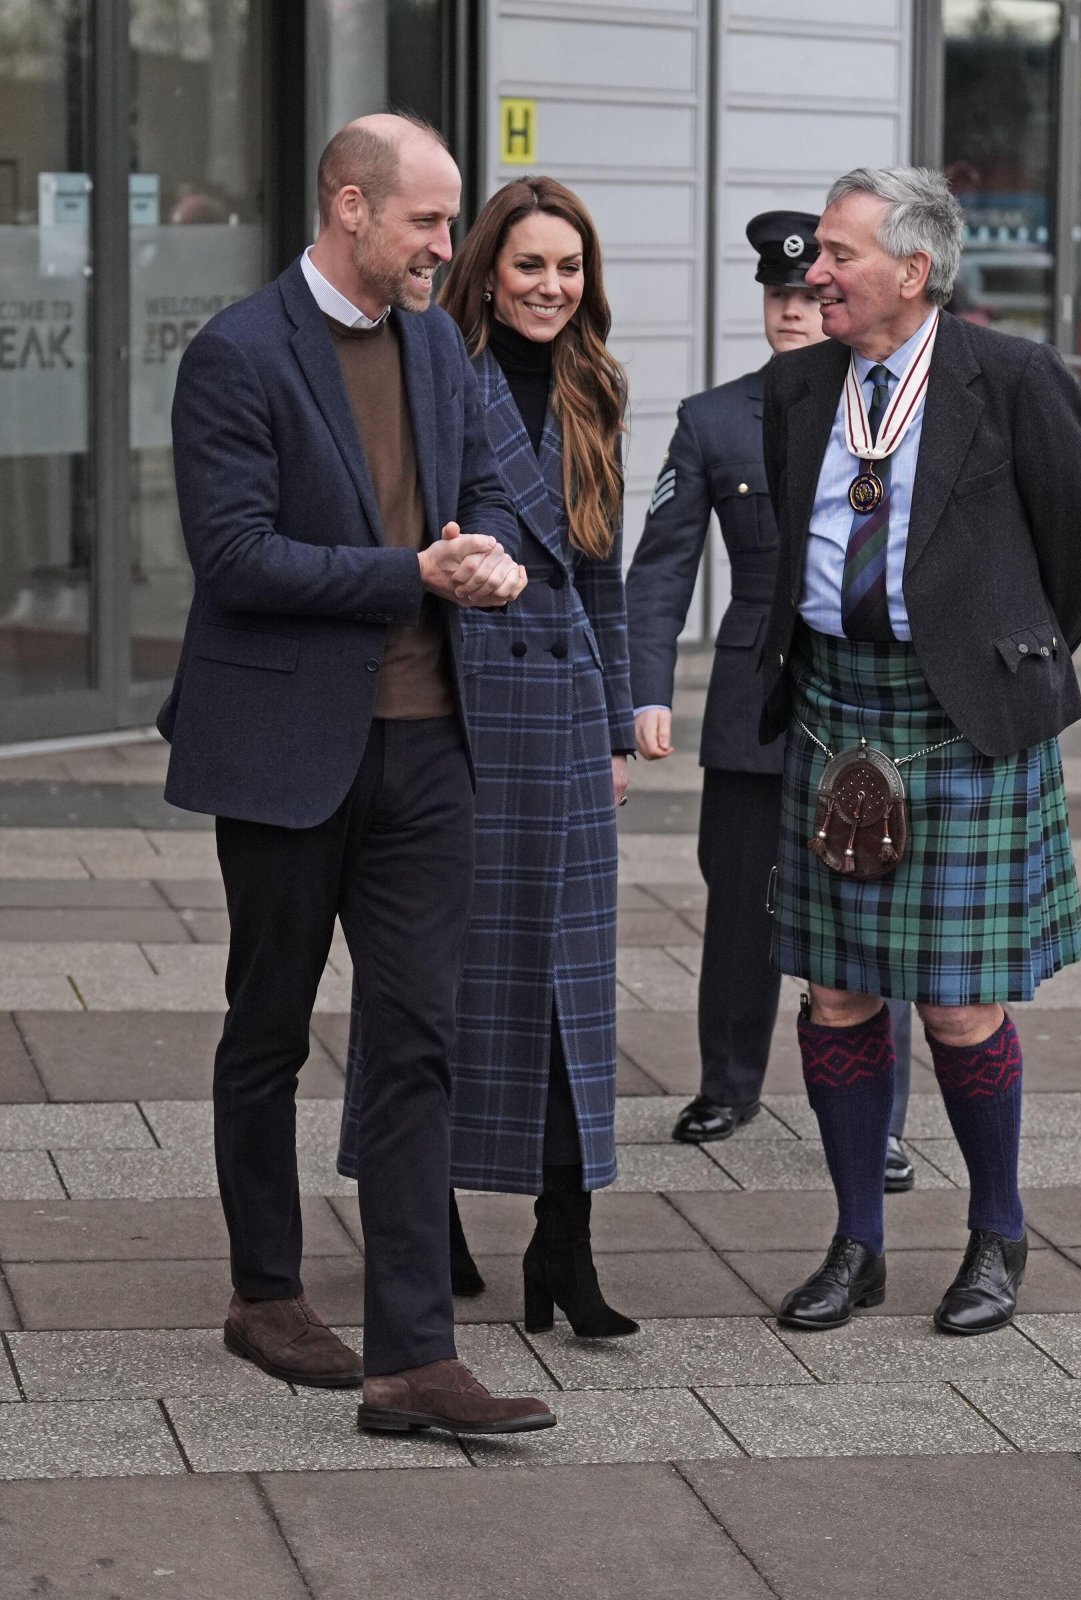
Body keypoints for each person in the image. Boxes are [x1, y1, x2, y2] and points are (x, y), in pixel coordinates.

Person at [160, 112, 556, 1437]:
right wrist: (413, 574)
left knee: (414, 1041)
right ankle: (265, 1292)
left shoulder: (438, 343)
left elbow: (501, 490)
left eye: (451, 224)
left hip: (430, 746)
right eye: (429, 223)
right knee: (268, 1028)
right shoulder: (236, 354)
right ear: (348, 206)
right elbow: (237, 556)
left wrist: (493, 555)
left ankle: (411, 1360)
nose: (450, 247)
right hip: (284, 753)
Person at [761, 167, 1081, 1336]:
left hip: (959, 719)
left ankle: (996, 1231)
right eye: (817, 251)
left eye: (839, 254)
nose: (817, 272)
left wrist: (1000, 656)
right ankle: (857, 1243)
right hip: (832, 708)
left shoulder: (1008, 377)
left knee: (961, 1005)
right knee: (837, 994)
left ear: (912, 271)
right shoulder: (801, 382)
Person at [339, 175, 638, 1340]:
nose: (551, 288)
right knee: (433, 978)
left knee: (572, 986)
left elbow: (602, 570)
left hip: (560, 717)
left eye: (569, 269)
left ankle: (564, 1242)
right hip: (455, 708)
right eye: (529, 266)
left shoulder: (595, 385)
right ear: (486, 271)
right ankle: (428, 1209)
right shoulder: (432, 371)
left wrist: (615, 723)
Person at [625, 211, 916, 1193]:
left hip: (868, 703)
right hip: (758, 705)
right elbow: (660, 568)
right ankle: (730, 1082)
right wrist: (644, 690)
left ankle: (880, 1118)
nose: (794, 311)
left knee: (876, 908)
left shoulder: (892, 408)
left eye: (810, 294)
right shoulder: (713, 419)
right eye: (778, 297)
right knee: (743, 902)